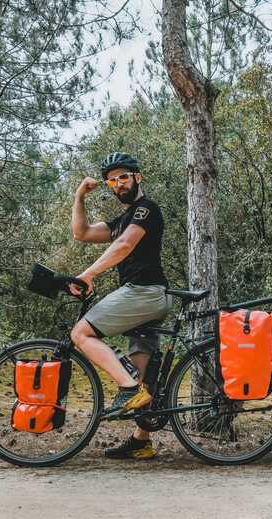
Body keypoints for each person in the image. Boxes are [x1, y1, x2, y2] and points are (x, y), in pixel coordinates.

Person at [69, 152, 172, 459]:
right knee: (142, 377)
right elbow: (82, 233)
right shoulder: (119, 221)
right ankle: (141, 441)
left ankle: (128, 389)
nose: (117, 184)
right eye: (112, 180)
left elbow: (125, 245)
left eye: (123, 177)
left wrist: (88, 273)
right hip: (145, 297)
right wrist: (79, 196)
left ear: (137, 178)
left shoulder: (146, 210)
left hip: (144, 292)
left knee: (81, 334)